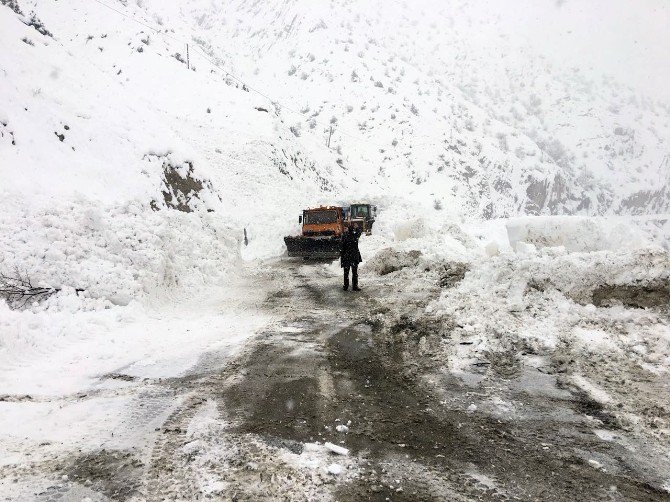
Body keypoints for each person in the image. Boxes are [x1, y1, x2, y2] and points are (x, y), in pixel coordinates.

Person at [340, 225, 362, 291]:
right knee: (354, 273)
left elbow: (342, 247)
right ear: (353, 230)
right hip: (354, 257)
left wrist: (342, 256)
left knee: (346, 272)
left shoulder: (344, 236)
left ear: (348, 230)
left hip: (346, 257)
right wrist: (357, 227)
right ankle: (355, 286)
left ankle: (345, 286)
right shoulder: (355, 236)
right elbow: (359, 232)